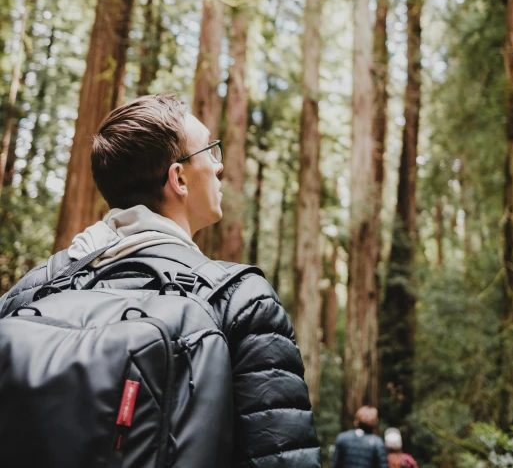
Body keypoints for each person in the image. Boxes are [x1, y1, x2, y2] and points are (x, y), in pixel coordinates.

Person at [0, 93, 321, 468]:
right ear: (179, 178)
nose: (218, 167)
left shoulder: (34, 288)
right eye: (210, 151)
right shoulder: (238, 298)